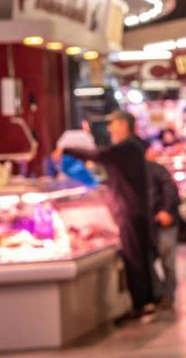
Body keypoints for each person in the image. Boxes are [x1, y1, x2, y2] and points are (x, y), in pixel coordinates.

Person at [55, 110, 156, 320]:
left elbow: (98, 156)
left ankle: (142, 304)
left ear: (123, 125)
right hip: (137, 209)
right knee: (140, 256)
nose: (110, 129)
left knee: (135, 258)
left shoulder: (127, 148)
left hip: (129, 210)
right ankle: (146, 301)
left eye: (113, 124)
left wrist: (66, 149)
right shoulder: (135, 147)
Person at [145, 152, 182, 311]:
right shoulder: (135, 171)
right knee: (150, 261)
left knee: (167, 261)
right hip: (149, 223)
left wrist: (166, 211)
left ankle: (168, 295)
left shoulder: (155, 169)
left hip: (163, 222)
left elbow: (171, 190)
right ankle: (160, 293)